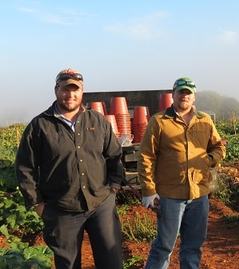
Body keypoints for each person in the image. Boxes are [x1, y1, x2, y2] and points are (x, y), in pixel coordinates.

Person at [15, 68, 124, 269]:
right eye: (66, 89)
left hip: (100, 204)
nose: (70, 94)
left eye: (76, 89)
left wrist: (113, 188)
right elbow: (24, 167)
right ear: (56, 90)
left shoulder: (97, 121)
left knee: (112, 261)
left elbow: (114, 156)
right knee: (68, 264)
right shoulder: (40, 126)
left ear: (82, 91)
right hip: (61, 208)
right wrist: (37, 202)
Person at [138, 77, 226, 269]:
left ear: (194, 97)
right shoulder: (159, 121)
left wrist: (208, 160)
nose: (184, 96)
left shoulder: (205, 120)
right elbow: (146, 156)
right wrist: (148, 190)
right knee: (164, 246)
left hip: (199, 195)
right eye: (181, 92)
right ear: (173, 95)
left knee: (193, 247)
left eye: (188, 93)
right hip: (170, 195)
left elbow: (219, 147)